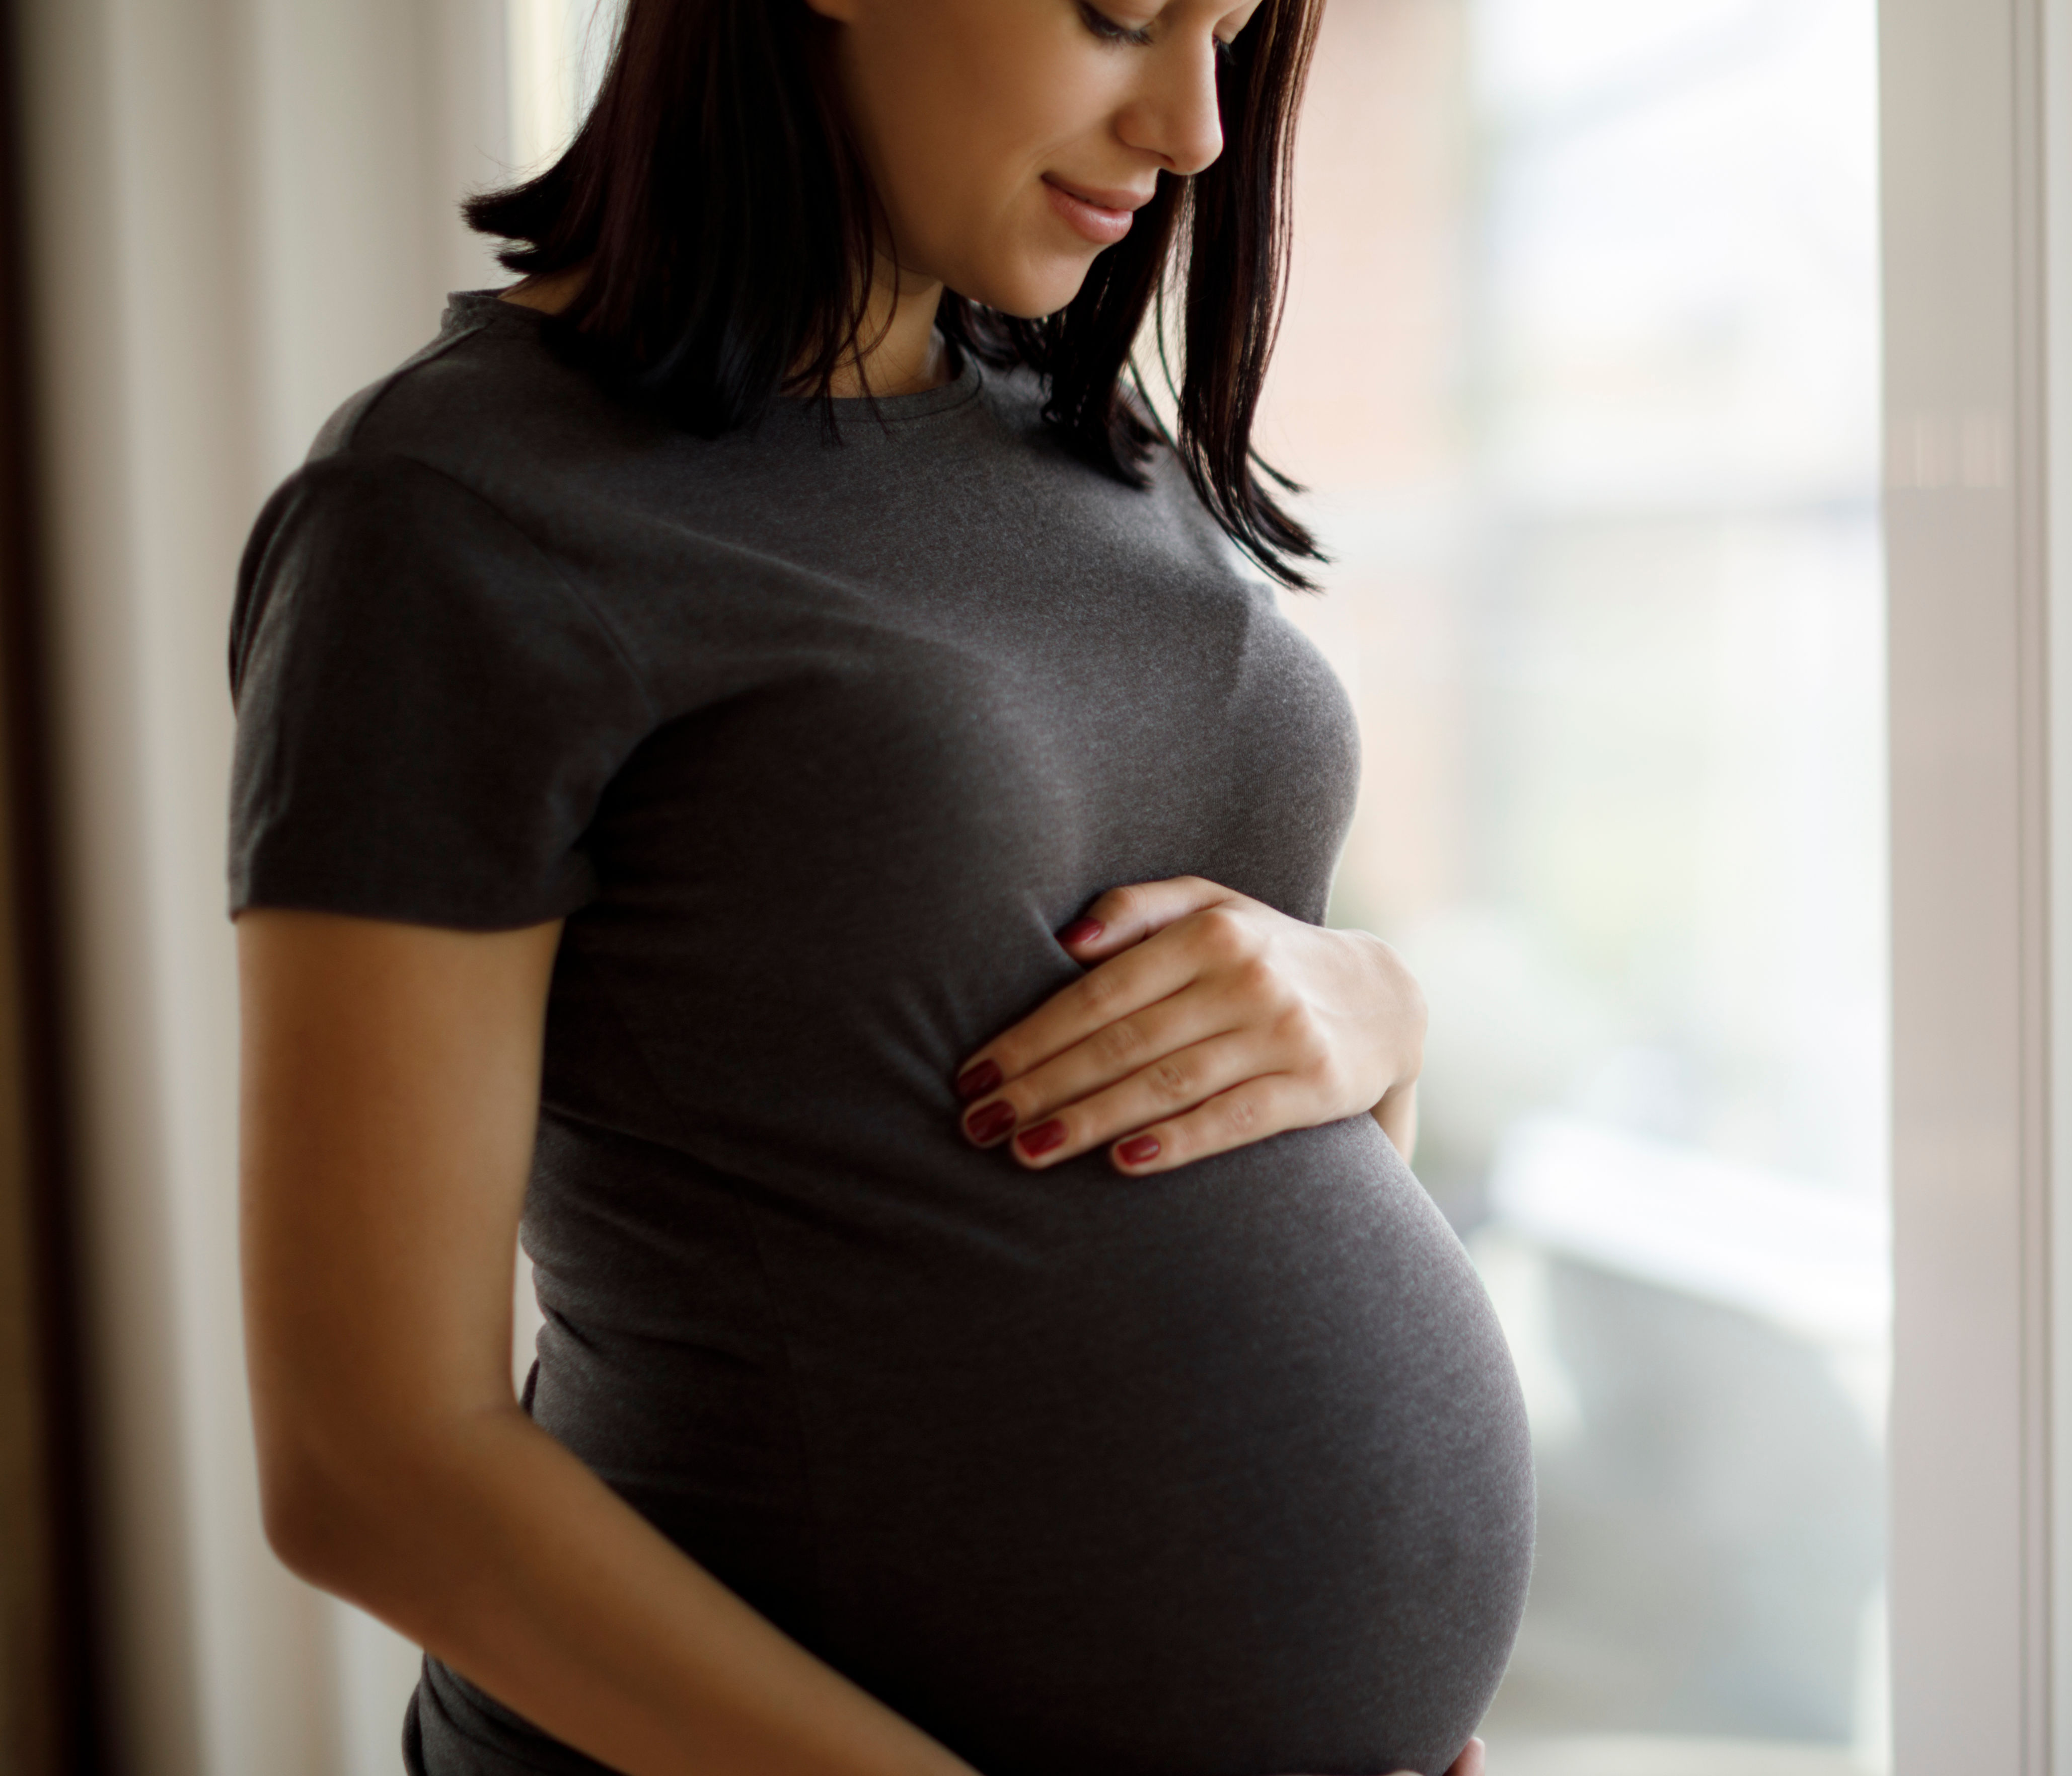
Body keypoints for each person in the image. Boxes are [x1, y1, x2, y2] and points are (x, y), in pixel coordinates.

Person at [226, 0, 1531, 1770]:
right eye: (1125, 16)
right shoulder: (453, 518)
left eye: (1227, 33)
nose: (1196, 130)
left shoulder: (1085, 445)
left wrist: (1378, 1014)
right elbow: (376, 1465)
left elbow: (1203, 1103)